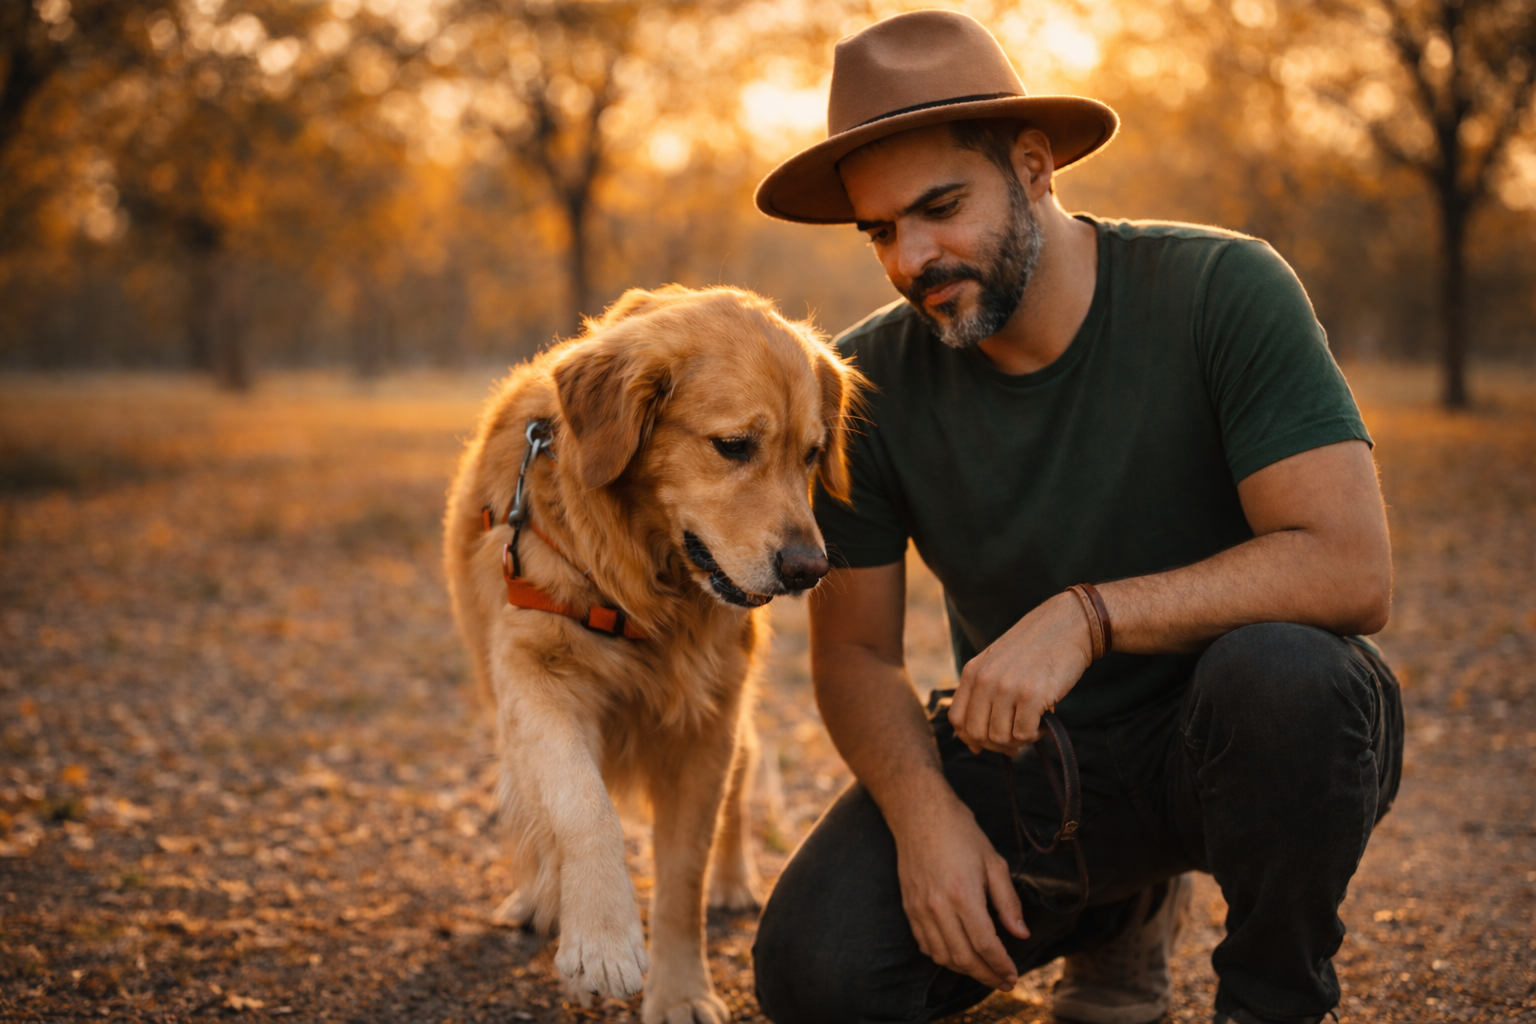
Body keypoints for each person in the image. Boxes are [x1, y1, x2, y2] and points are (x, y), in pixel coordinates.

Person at [748, 10, 1404, 1024]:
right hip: (1036, 767)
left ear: (1034, 164)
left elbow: (1350, 569)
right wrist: (926, 822)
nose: (911, 258)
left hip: (1237, 736)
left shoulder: (1224, 288)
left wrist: (1086, 615)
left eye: (939, 207)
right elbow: (855, 656)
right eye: (879, 229)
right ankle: (1116, 910)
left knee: (1289, 677)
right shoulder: (862, 383)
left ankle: (1271, 1001)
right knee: (816, 973)